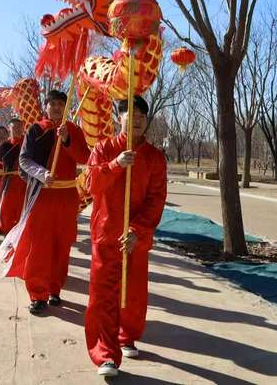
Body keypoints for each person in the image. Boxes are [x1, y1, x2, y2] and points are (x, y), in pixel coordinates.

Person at [84, 96, 167, 377]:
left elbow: (156, 199)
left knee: (133, 295)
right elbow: (91, 184)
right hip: (106, 234)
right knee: (103, 296)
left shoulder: (155, 157)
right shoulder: (104, 149)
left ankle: (127, 335)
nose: (137, 120)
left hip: (135, 239)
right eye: (131, 115)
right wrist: (116, 164)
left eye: (142, 116)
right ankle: (105, 354)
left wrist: (137, 231)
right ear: (118, 118)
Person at [0, 89, 90, 315]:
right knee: (39, 247)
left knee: (62, 246)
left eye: (61, 104)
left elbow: (84, 158)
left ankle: (54, 289)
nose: (57, 108)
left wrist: (67, 140)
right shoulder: (36, 129)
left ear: (66, 107)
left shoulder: (73, 130)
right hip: (42, 196)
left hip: (66, 197)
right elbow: (24, 160)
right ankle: (37, 294)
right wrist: (42, 173)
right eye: (53, 104)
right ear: (46, 107)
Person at [0, 119, 26, 234]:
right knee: (6, 209)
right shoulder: (6, 145)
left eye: (20, 127)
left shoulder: (29, 143)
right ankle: (7, 232)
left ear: (23, 128)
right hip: (9, 183)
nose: (17, 129)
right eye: (14, 127)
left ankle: (20, 233)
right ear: (10, 129)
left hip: (26, 183)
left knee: (24, 210)